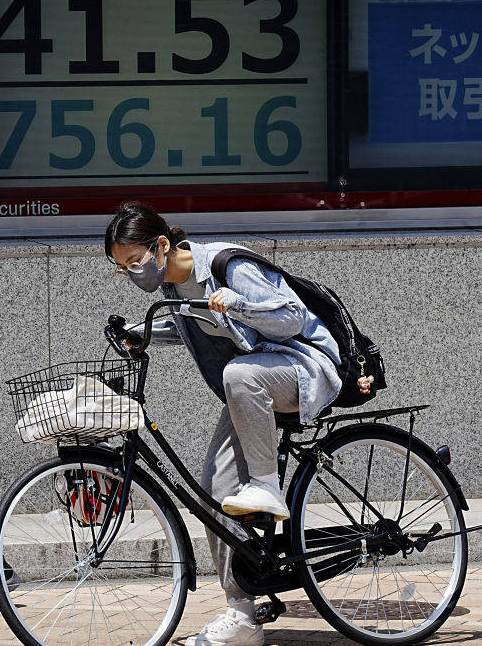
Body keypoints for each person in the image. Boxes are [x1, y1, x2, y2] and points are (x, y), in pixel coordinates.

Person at [105, 203, 346, 646]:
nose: (133, 274)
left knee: (238, 374)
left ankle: (267, 487)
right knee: (214, 491)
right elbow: (196, 326)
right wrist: (143, 335)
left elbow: (291, 316)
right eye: (123, 269)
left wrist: (237, 303)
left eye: (135, 262)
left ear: (162, 245)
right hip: (253, 388)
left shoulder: (225, 264)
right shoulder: (173, 290)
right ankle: (241, 615)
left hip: (303, 369)